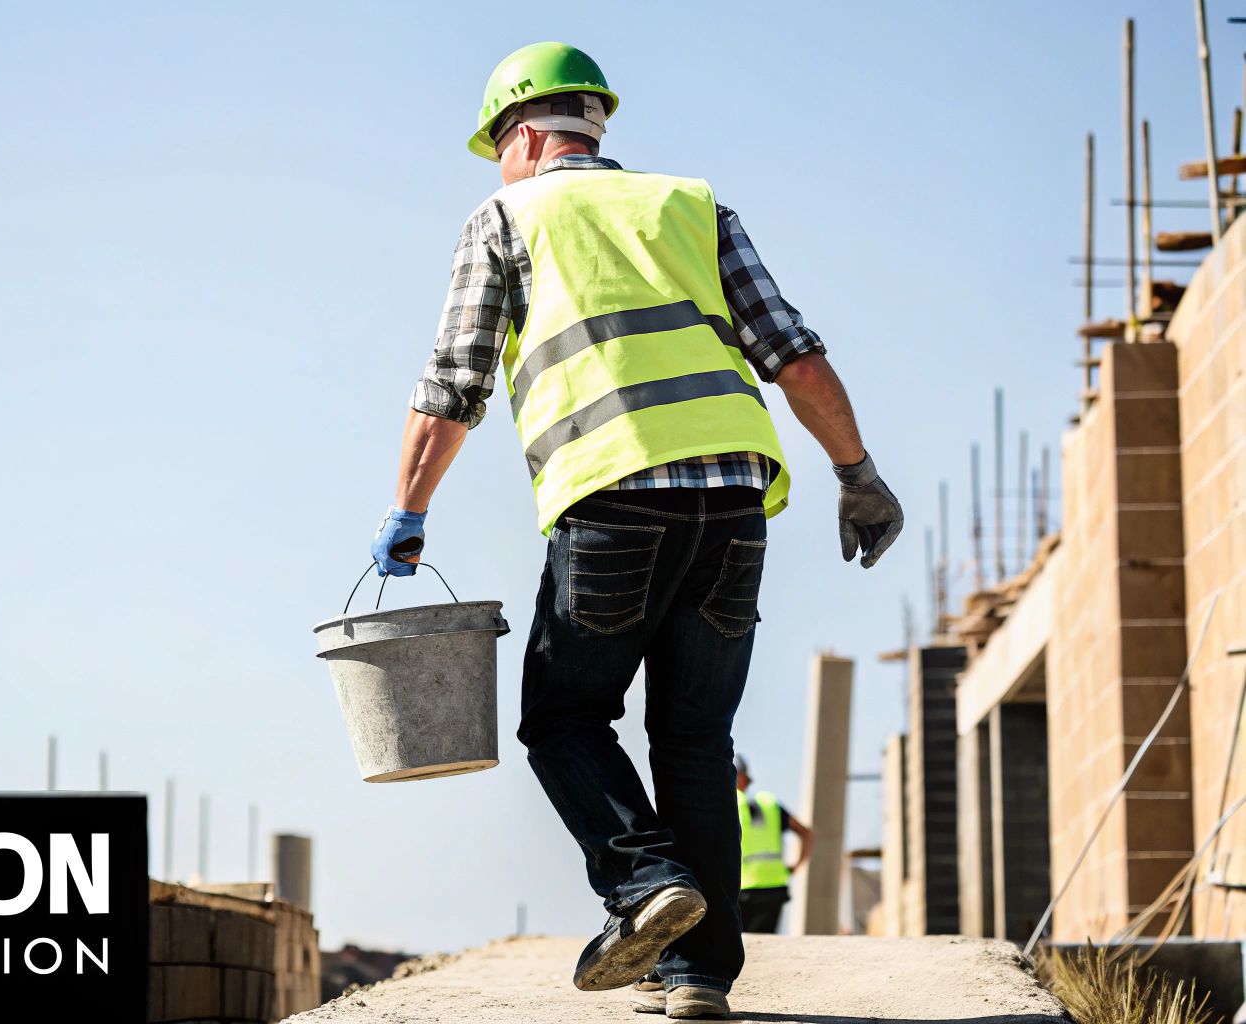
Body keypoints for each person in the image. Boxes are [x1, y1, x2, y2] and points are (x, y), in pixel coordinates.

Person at [368, 42, 902, 1019]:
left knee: (563, 716)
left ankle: (641, 882)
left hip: (610, 497)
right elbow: (790, 351)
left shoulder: (504, 217)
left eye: (496, 145)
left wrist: (408, 511)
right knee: (695, 734)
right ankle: (694, 973)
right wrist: (855, 473)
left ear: (522, 135)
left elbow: (452, 386)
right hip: (736, 503)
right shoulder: (691, 206)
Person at [734, 753, 813, 933]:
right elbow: (806, 833)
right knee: (763, 946)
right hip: (774, 888)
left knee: (735, 949)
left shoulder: (727, 803)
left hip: (739, 889)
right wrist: (796, 866)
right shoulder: (769, 803)